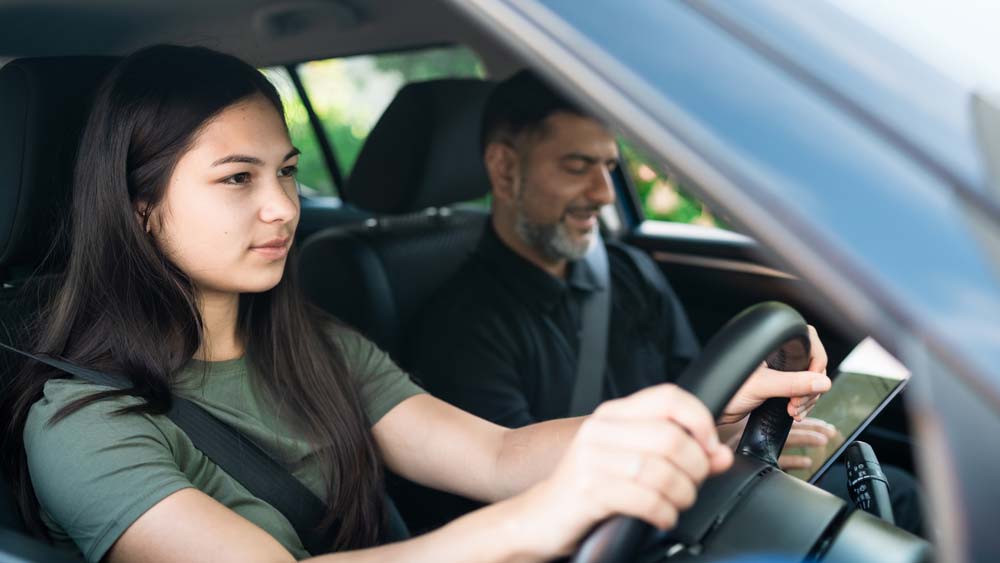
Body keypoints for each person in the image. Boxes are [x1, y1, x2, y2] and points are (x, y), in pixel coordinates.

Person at [0, 47, 829, 563]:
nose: (284, 206)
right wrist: (531, 524)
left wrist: (697, 424)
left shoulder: (308, 340)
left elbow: (499, 456)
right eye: (237, 179)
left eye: (287, 171)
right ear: (140, 207)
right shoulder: (82, 424)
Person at [409, 69, 922, 534]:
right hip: (615, 526)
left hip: (696, 480)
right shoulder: (460, 327)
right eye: (577, 166)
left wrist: (750, 434)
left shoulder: (629, 271)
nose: (605, 193)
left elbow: (697, 386)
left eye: (609, 166)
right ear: (503, 169)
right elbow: (520, 494)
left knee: (892, 488)